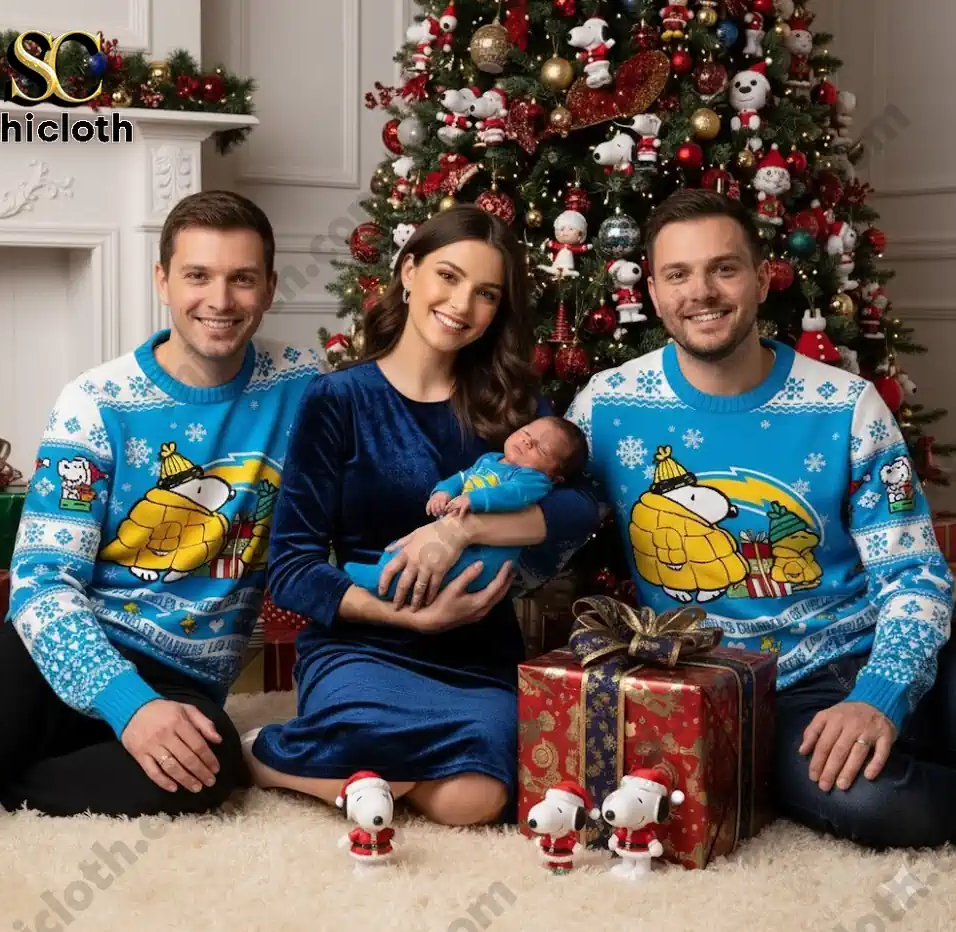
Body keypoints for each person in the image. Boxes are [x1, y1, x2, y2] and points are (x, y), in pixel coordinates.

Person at [565, 188, 956, 849]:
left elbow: (916, 574)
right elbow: (548, 523)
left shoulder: (847, 405)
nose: (702, 292)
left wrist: (882, 690)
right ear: (654, 294)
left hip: (874, 644)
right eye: (678, 274)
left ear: (762, 274)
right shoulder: (609, 405)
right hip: (761, 693)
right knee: (880, 806)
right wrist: (462, 523)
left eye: (724, 267)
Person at [0, 190, 323, 819]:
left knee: (209, 774)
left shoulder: (306, 390)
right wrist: (128, 704)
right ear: (162, 279)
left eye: (242, 279)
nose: (221, 299)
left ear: (268, 287)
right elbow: (42, 583)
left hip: (184, 674)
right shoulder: (95, 402)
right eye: (198, 276)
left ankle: (9, 788)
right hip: (59, 650)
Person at [243, 204, 601, 826]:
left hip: (476, 649)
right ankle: (263, 757)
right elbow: (293, 565)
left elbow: (583, 507)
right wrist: (404, 614)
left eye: (487, 293)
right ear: (409, 271)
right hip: (362, 644)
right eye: (449, 276)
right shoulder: (339, 399)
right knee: (378, 739)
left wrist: (457, 528)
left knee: (479, 798)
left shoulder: (514, 406)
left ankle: (360, 778)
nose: (463, 305)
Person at [344, 414, 589, 598]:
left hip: (487, 551)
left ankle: (382, 583)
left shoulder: (534, 479)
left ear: (555, 478)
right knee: (405, 550)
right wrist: (443, 491)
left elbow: (513, 494)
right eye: (526, 432)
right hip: (458, 535)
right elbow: (462, 478)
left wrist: (474, 500)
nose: (527, 442)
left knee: (443, 569)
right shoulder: (490, 460)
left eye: (542, 448)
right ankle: (381, 572)